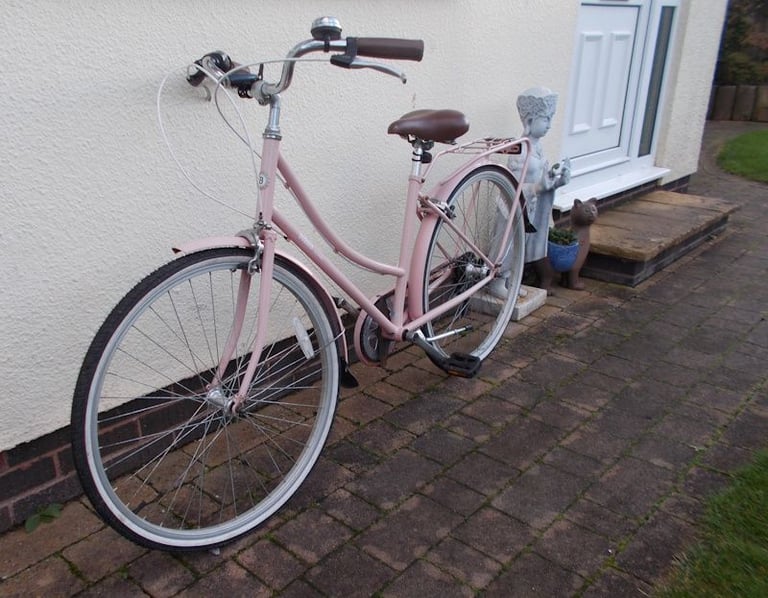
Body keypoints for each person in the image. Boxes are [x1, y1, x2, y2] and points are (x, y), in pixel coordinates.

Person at [489, 87, 570, 297]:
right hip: (513, 206)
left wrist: (557, 181)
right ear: (529, 120)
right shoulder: (520, 150)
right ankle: (497, 282)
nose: (549, 125)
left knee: (520, 245)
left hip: (531, 206)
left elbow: (544, 180)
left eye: (551, 118)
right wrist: (538, 187)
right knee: (506, 245)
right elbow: (511, 186)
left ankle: (510, 281)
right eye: (545, 119)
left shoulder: (539, 149)